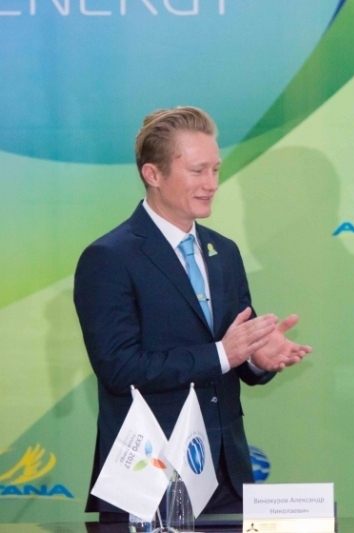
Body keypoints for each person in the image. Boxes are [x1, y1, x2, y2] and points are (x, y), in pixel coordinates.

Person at [73, 106, 311, 521]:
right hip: (149, 478)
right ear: (153, 174)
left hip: (227, 478)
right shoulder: (109, 258)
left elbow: (235, 356)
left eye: (216, 170)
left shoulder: (225, 252)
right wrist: (223, 354)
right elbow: (119, 368)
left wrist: (257, 358)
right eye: (198, 171)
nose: (211, 184)